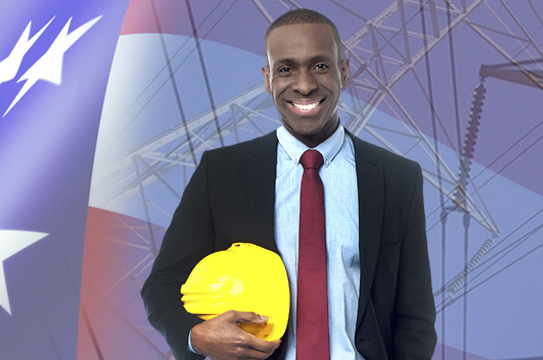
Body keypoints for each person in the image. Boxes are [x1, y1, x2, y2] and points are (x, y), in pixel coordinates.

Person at [141, 8, 436, 360]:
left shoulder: (397, 178)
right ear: (267, 79)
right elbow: (162, 285)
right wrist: (195, 336)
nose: (305, 84)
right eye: (286, 69)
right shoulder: (220, 172)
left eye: (320, 66)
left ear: (343, 71)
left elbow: (414, 315)